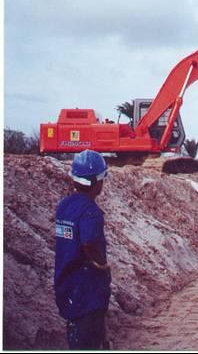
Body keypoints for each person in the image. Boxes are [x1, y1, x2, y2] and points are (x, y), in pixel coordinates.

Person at [54, 149, 112, 350]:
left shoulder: (64, 206)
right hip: (87, 290)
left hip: (67, 284)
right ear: (96, 182)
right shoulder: (90, 211)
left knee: (76, 338)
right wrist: (102, 264)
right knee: (90, 340)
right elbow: (89, 243)